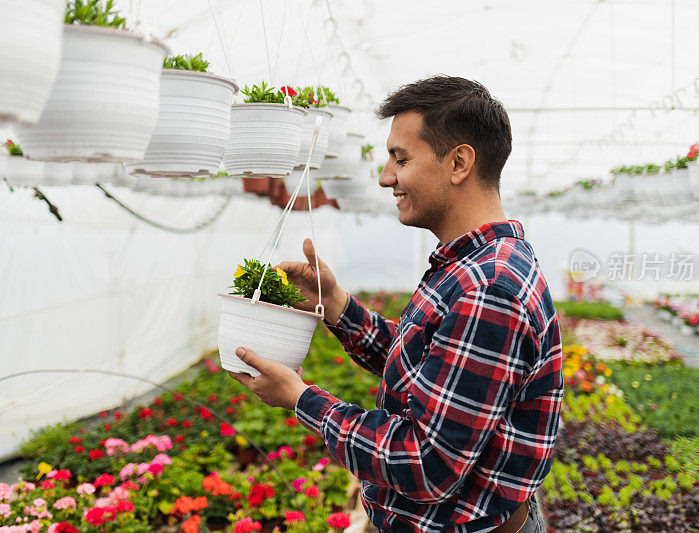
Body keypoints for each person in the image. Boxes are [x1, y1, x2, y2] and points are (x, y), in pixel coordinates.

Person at [227, 76, 563, 533]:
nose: (386, 177)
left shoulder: (488, 288)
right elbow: (426, 366)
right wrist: (336, 304)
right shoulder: (471, 266)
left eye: (400, 159)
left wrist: (302, 398)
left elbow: (427, 464)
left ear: (459, 162)